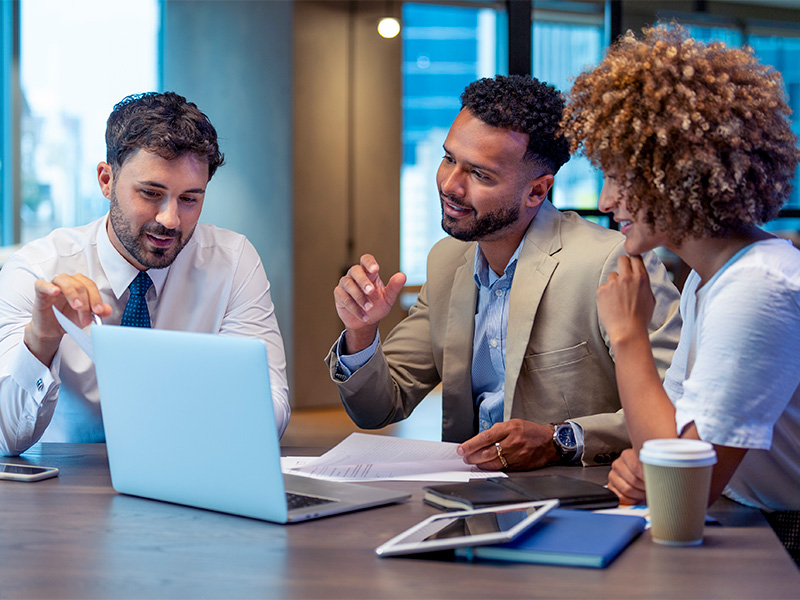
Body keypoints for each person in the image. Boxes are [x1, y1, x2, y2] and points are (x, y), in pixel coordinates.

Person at [326, 75, 682, 471]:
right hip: (470, 501)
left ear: (537, 191)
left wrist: (558, 440)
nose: (450, 185)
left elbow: (674, 410)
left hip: (580, 501)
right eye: (449, 159)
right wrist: (361, 333)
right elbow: (379, 407)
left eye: (480, 175)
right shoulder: (446, 262)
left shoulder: (612, 263)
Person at [561, 24, 800, 563]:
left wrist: (628, 338)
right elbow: (661, 445)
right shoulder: (707, 277)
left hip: (781, 543)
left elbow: (681, 485)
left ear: (676, 175)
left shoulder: (756, 286)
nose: (606, 199)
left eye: (620, 176)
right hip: (740, 522)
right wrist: (654, 462)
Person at [0, 92, 290, 456]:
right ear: (106, 180)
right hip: (67, 497)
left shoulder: (232, 264)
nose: (170, 220)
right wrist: (41, 341)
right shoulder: (37, 272)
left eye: (189, 199)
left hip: (189, 480)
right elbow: (6, 436)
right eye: (151, 193)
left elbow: (271, 412)